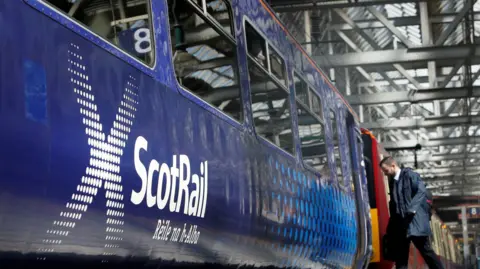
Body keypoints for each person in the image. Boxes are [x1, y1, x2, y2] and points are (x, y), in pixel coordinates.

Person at [380, 156, 444, 269]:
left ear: (393, 166)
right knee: (401, 258)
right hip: (401, 225)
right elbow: (395, 205)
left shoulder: (410, 175)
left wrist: (412, 209)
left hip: (414, 223)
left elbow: (421, 191)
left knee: (426, 252)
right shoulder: (393, 182)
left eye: (386, 170)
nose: (385, 174)